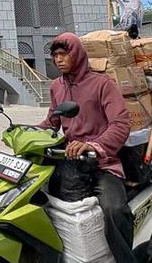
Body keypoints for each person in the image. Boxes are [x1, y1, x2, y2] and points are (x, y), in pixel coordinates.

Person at [39, 32, 135, 263]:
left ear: (77, 55)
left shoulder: (102, 84)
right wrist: (23, 132)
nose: (59, 60)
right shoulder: (56, 87)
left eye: (64, 54)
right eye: (55, 56)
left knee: (114, 210)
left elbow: (121, 124)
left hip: (102, 163)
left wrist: (93, 145)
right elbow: (51, 123)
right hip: (71, 163)